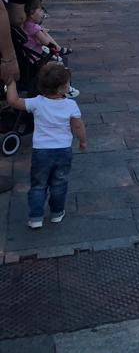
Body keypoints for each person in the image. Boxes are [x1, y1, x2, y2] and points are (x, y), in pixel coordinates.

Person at [4, 62, 86, 229]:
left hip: (41, 151)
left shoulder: (37, 103)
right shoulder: (71, 105)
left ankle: (35, 217)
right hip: (63, 150)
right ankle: (56, 213)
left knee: (38, 185)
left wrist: (11, 83)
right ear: (64, 88)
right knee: (59, 182)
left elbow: (13, 101)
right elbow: (78, 125)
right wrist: (82, 141)